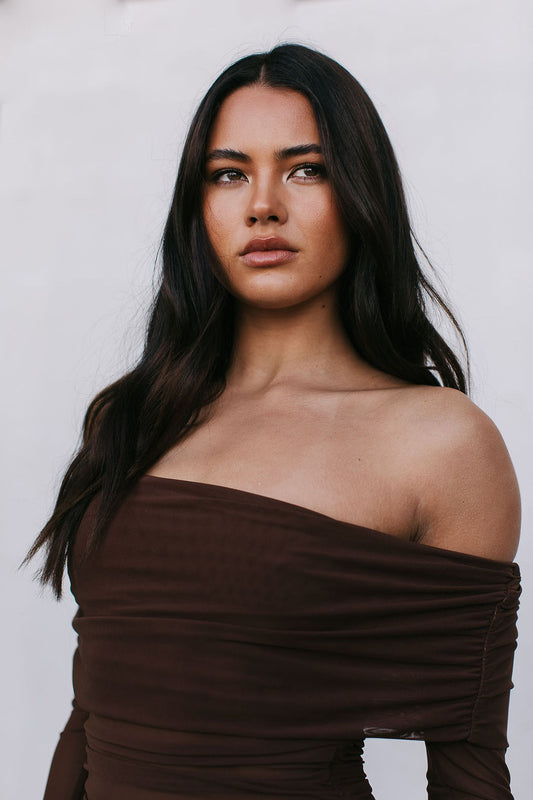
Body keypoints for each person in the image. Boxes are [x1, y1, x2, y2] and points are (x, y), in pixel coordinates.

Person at [27, 44, 521, 800]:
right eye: (228, 173)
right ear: (197, 206)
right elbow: (88, 719)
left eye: (305, 169)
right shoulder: (133, 415)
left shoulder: (440, 443)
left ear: (361, 193)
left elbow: (467, 771)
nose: (262, 204)